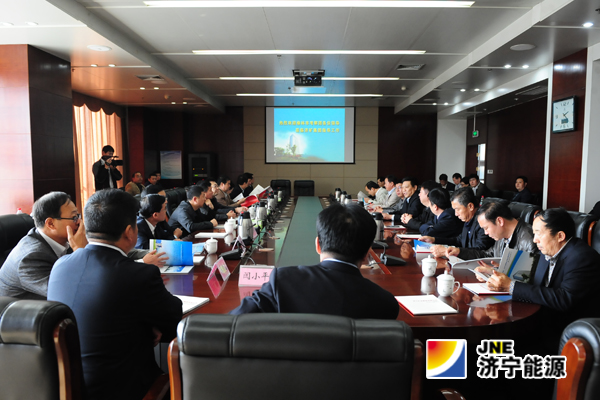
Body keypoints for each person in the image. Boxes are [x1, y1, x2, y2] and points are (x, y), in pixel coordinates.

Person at [48, 189, 182, 400]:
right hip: (125, 389)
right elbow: (173, 320)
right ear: (129, 232)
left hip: (70, 389)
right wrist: (150, 328)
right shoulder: (139, 274)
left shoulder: (60, 266)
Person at [230, 203, 400, 319]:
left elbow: (231, 324)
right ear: (367, 254)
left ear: (318, 245)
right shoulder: (385, 303)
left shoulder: (283, 282)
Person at [484, 208, 600, 352]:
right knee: (493, 339)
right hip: (541, 320)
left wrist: (511, 286)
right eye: (534, 233)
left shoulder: (582, 258)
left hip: (565, 333)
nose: (534, 240)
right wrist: (497, 272)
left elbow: (564, 299)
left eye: (539, 234)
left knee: (500, 343)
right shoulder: (549, 249)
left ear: (560, 236)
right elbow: (530, 275)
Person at [0, 192, 87, 299]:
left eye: (78, 216)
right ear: (50, 224)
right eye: (74, 217)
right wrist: (80, 251)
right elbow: (68, 293)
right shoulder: (31, 258)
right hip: (29, 309)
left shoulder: (61, 240)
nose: (79, 222)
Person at [448, 200, 537, 260]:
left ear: (500, 221)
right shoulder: (502, 235)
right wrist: (459, 252)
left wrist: (497, 272)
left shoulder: (530, 240)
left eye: (486, 228)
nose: (485, 233)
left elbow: (528, 277)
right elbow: (487, 255)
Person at [420, 187, 495, 257]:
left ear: (470, 206)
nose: (456, 214)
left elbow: (481, 251)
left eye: (457, 209)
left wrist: (455, 251)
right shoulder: (468, 219)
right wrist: (434, 240)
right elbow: (458, 240)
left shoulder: (483, 223)